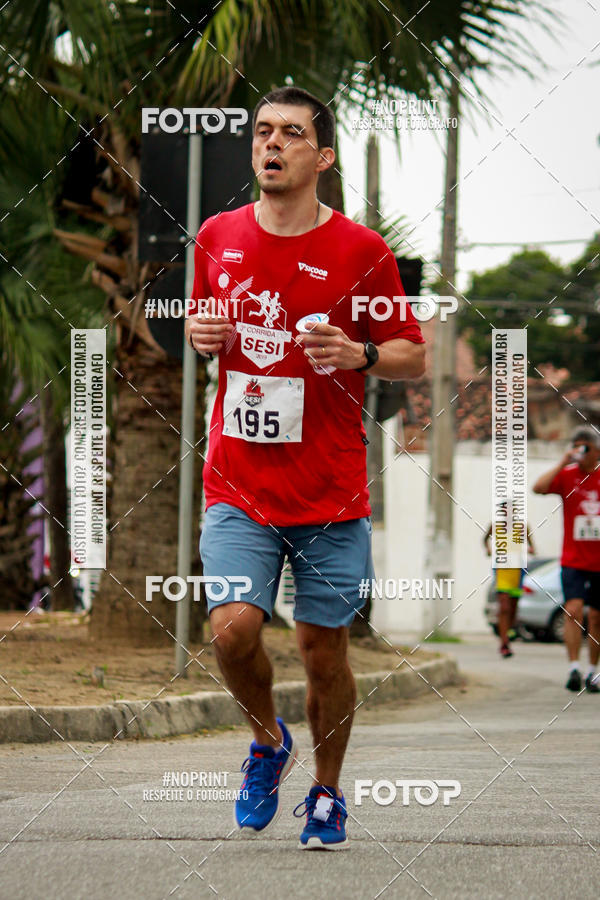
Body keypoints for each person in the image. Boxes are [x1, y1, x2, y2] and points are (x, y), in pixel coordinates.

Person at [184, 85, 425, 849]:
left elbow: (413, 355)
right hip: (238, 484)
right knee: (231, 630)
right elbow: (201, 323)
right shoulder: (217, 236)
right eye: (263, 131)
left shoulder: (362, 251)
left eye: (291, 133)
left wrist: (359, 353)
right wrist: (200, 334)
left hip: (328, 490)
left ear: (322, 157)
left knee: (324, 654)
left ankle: (326, 791)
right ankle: (267, 742)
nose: (272, 143)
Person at [533, 426, 600, 692]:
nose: (581, 452)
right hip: (573, 559)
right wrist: (563, 461)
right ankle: (574, 668)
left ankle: (593, 671)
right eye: (577, 447)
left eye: (586, 447)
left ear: (597, 450)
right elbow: (539, 487)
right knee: (573, 611)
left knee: (597, 617)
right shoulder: (568, 475)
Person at [484, 510, 535, 657]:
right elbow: (485, 539)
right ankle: (504, 643)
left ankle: (509, 630)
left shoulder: (522, 526)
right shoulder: (496, 525)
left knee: (513, 606)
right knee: (504, 606)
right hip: (502, 569)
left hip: (517, 570)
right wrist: (488, 549)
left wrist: (531, 549)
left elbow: (531, 543)